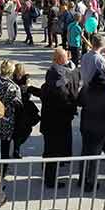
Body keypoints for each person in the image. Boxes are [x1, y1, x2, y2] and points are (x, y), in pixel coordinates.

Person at [36, 47, 79, 188]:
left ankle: (50, 174)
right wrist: (72, 105)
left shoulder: (56, 74)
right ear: (59, 59)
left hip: (54, 121)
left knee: (52, 150)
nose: (67, 58)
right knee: (52, 151)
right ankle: (50, 180)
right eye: (65, 57)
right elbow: (63, 96)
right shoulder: (55, 76)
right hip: (55, 121)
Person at [75, 51, 105, 193]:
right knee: (94, 156)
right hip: (100, 129)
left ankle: (82, 179)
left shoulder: (86, 89)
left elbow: (79, 102)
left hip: (86, 126)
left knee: (85, 152)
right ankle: (90, 182)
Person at [0, 60, 22, 164]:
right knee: (5, 147)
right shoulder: (14, 87)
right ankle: (3, 170)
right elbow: (18, 106)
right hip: (7, 119)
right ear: (12, 71)